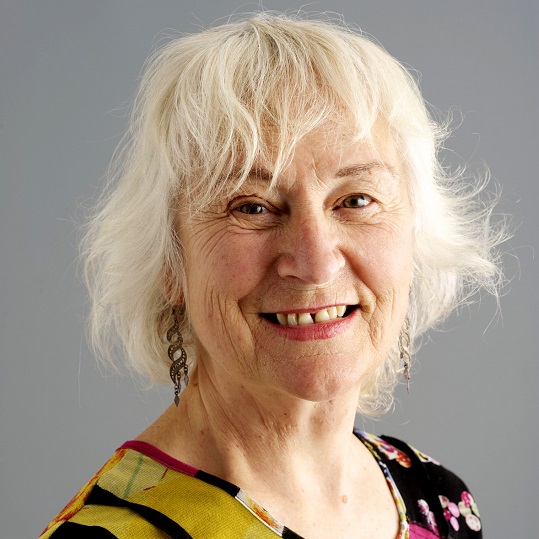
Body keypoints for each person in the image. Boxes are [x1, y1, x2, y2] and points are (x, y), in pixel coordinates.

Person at [39, 12, 503, 539]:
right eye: (252, 207)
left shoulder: (438, 500)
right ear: (170, 262)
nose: (315, 261)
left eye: (355, 200)